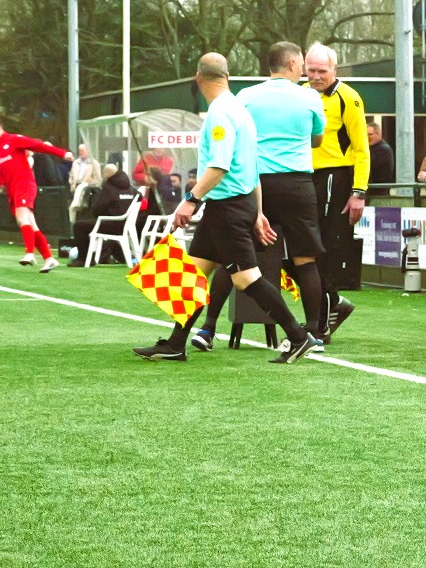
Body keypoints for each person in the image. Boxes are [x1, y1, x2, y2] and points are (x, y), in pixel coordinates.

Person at [133, 53, 316, 364]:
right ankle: (176, 342)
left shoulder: (219, 113)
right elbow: (253, 168)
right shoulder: (239, 110)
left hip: (227, 208)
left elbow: (219, 165)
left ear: (198, 78)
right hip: (234, 203)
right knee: (191, 273)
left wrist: (190, 200)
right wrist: (257, 213)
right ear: (227, 76)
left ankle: (299, 337)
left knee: (246, 279)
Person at [192, 41, 332, 349]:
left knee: (233, 257)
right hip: (296, 184)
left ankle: (208, 327)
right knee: (305, 260)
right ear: (294, 64)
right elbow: (318, 139)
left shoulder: (245, 96)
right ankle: (313, 333)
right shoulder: (309, 96)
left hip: (256, 183)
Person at [305, 43, 369, 336]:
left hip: (335, 177)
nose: (316, 76)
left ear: (335, 70)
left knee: (324, 247)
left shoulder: (349, 98)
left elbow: (361, 148)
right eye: (311, 70)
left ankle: (320, 321)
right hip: (303, 177)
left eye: (322, 71)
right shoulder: (301, 94)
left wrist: (359, 191)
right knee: (300, 249)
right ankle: (333, 303)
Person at [0, 118, 72, 273]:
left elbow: (39, 146)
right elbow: (2, 171)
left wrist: (62, 153)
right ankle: (49, 258)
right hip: (12, 190)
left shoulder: (14, 140)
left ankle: (29, 253)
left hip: (25, 184)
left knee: (23, 218)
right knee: (30, 224)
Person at [66, 163, 134, 263]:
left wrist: (99, 214)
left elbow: (98, 209)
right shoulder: (130, 187)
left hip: (113, 225)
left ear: (106, 174)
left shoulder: (109, 187)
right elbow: (139, 198)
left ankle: (83, 258)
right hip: (128, 224)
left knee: (79, 226)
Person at [67, 143, 101, 222]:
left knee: (82, 210)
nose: (80, 152)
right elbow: (71, 175)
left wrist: (88, 183)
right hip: (75, 187)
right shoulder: (75, 163)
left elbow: (98, 179)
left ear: (88, 151)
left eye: (82, 150)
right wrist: (72, 183)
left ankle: (76, 206)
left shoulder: (94, 163)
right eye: (79, 150)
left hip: (87, 189)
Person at [367, 119, 396, 188]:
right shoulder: (371, 148)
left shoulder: (383, 149)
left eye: (370, 134)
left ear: (378, 134)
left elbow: (371, 167)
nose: (367, 137)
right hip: (372, 189)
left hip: (379, 190)